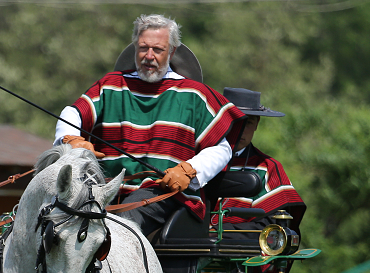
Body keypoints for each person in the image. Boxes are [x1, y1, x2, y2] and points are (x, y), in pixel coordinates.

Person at [54, 14, 246, 236]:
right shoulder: (110, 86)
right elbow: (73, 112)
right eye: (143, 48)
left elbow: (222, 148)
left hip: (162, 193)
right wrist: (71, 139)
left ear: (172, 52)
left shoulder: (195, 94)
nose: (149, 56)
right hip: (103, 190)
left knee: (121, 226)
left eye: (158, 49)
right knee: (55, 219)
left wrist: (190, 170)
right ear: (135, 47)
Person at [214, 87, 305, 238]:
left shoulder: (268, 168)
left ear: (257, 124)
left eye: (248, 122)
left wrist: (217, 234)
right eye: (235, 121)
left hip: (243, 255)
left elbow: (273, 228)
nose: (241, 130)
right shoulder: (196, 160)